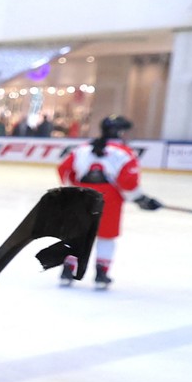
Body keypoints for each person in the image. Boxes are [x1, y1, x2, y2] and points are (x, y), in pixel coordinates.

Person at [56, 114, 160, 288]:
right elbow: (128, 182)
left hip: (81, 196)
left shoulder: (82, 148)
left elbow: (64, 169)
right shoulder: (126, 153)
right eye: (126, 132)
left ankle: (68, 271)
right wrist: (141, 199)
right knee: (106, 237)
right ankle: (101, 275)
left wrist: (76, 187)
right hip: (108, 199)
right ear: (119, 132)